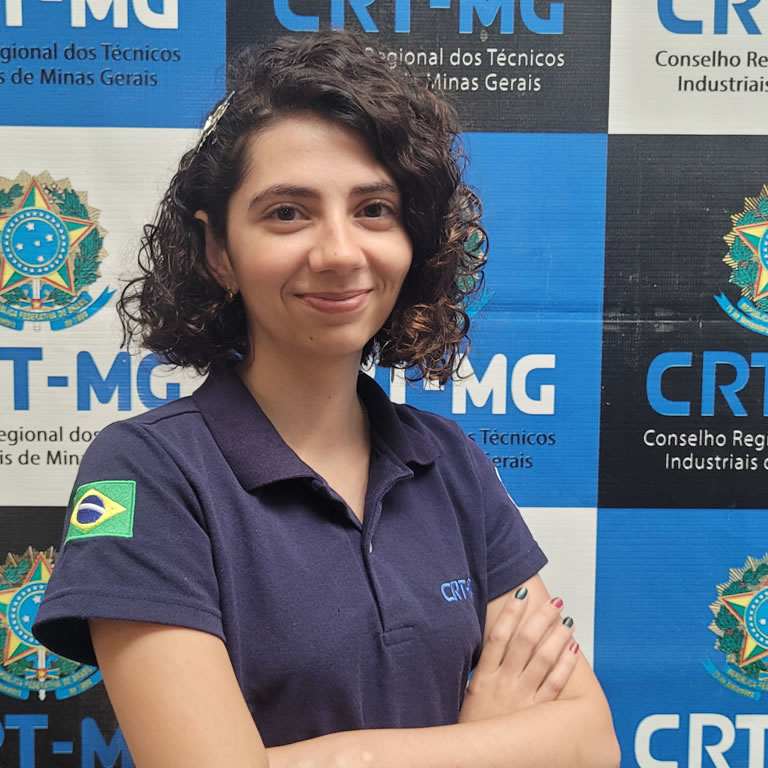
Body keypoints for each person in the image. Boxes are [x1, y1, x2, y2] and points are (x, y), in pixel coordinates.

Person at [33, 31, 619, 768]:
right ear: (219, 251)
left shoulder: (450, 463)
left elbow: (591, 744)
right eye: (287, 212)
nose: (340, 252)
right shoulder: (149, 470)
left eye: (374, 209)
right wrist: (480, 743)